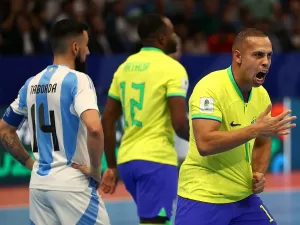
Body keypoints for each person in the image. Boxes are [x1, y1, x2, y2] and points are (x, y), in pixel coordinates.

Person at [175, 28, 297, 225]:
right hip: (202, 197)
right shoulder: (210, 88)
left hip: (243, 199)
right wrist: (255, 129)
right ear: (238, 56)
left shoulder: (262, 95)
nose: (265, 62)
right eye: (258, 55)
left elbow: (262, 142)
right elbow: (205, 143)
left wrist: (258, 172)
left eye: (269, 55)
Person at [0, 19, 110, 225]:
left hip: (39, 187)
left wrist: (30, 164)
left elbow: (4, 130)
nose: (88, 52)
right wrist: (96, 170)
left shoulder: (30, 84)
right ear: (75, 47)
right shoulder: (79, 80)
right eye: (86, 46)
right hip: (72, 186)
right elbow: (95, 129)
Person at [101, 13, 190, 225]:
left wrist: (111, 166)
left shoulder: (124, 68)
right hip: (156, 161)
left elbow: (107, 120)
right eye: (171, 32)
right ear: (161, 38)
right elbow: (179, 123)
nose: (175, 36)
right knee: (155, 222)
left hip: (127, 162)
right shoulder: (172, 69)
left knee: (154, 220)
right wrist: (202, 142)